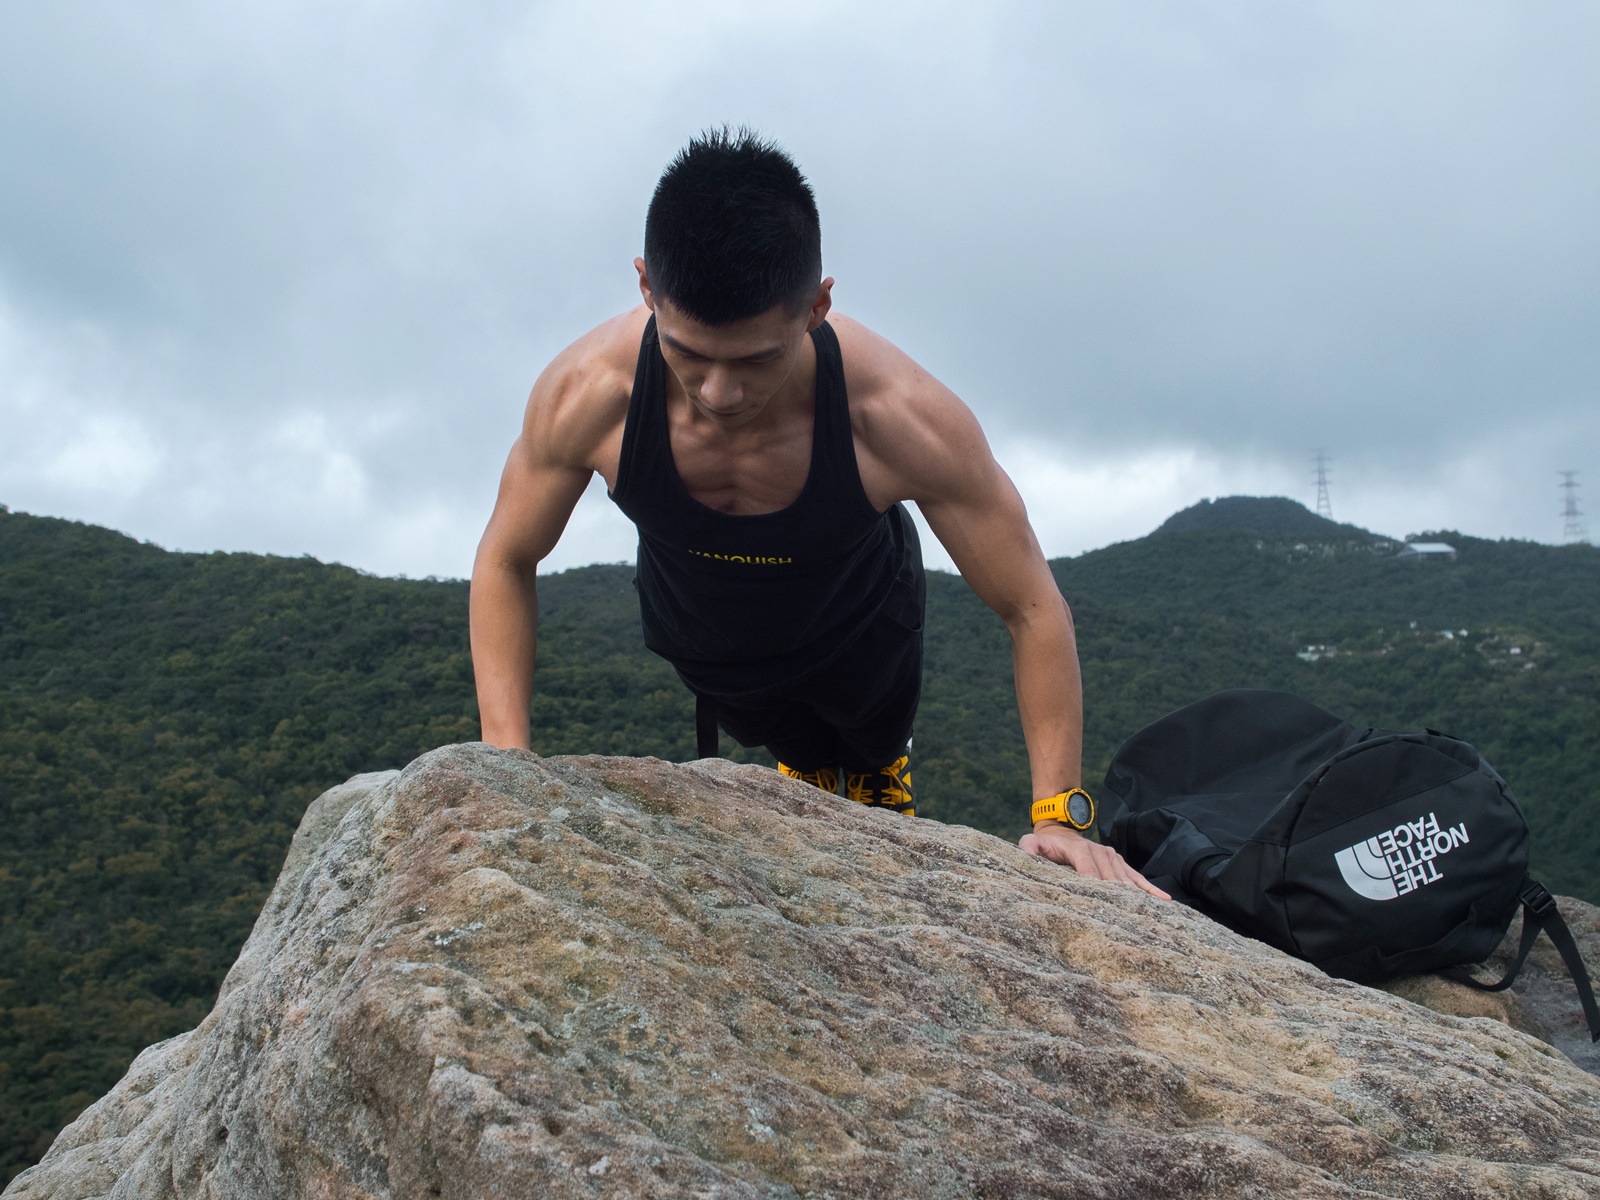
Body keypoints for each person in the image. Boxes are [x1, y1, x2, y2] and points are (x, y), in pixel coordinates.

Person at [470, 128, 1166, 899]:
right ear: (645, 289)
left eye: (756, 359)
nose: (718, 394)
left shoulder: (897, 415)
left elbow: (1032, 603)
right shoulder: (588, 396)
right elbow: (506, 557)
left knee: (863, 748)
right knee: (782, 736)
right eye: (688, 353)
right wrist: (509, 765)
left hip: (860, 630)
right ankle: (805, 764)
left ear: (818, 306)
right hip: (712, 644)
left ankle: (873, 770)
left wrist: (1059, 815)